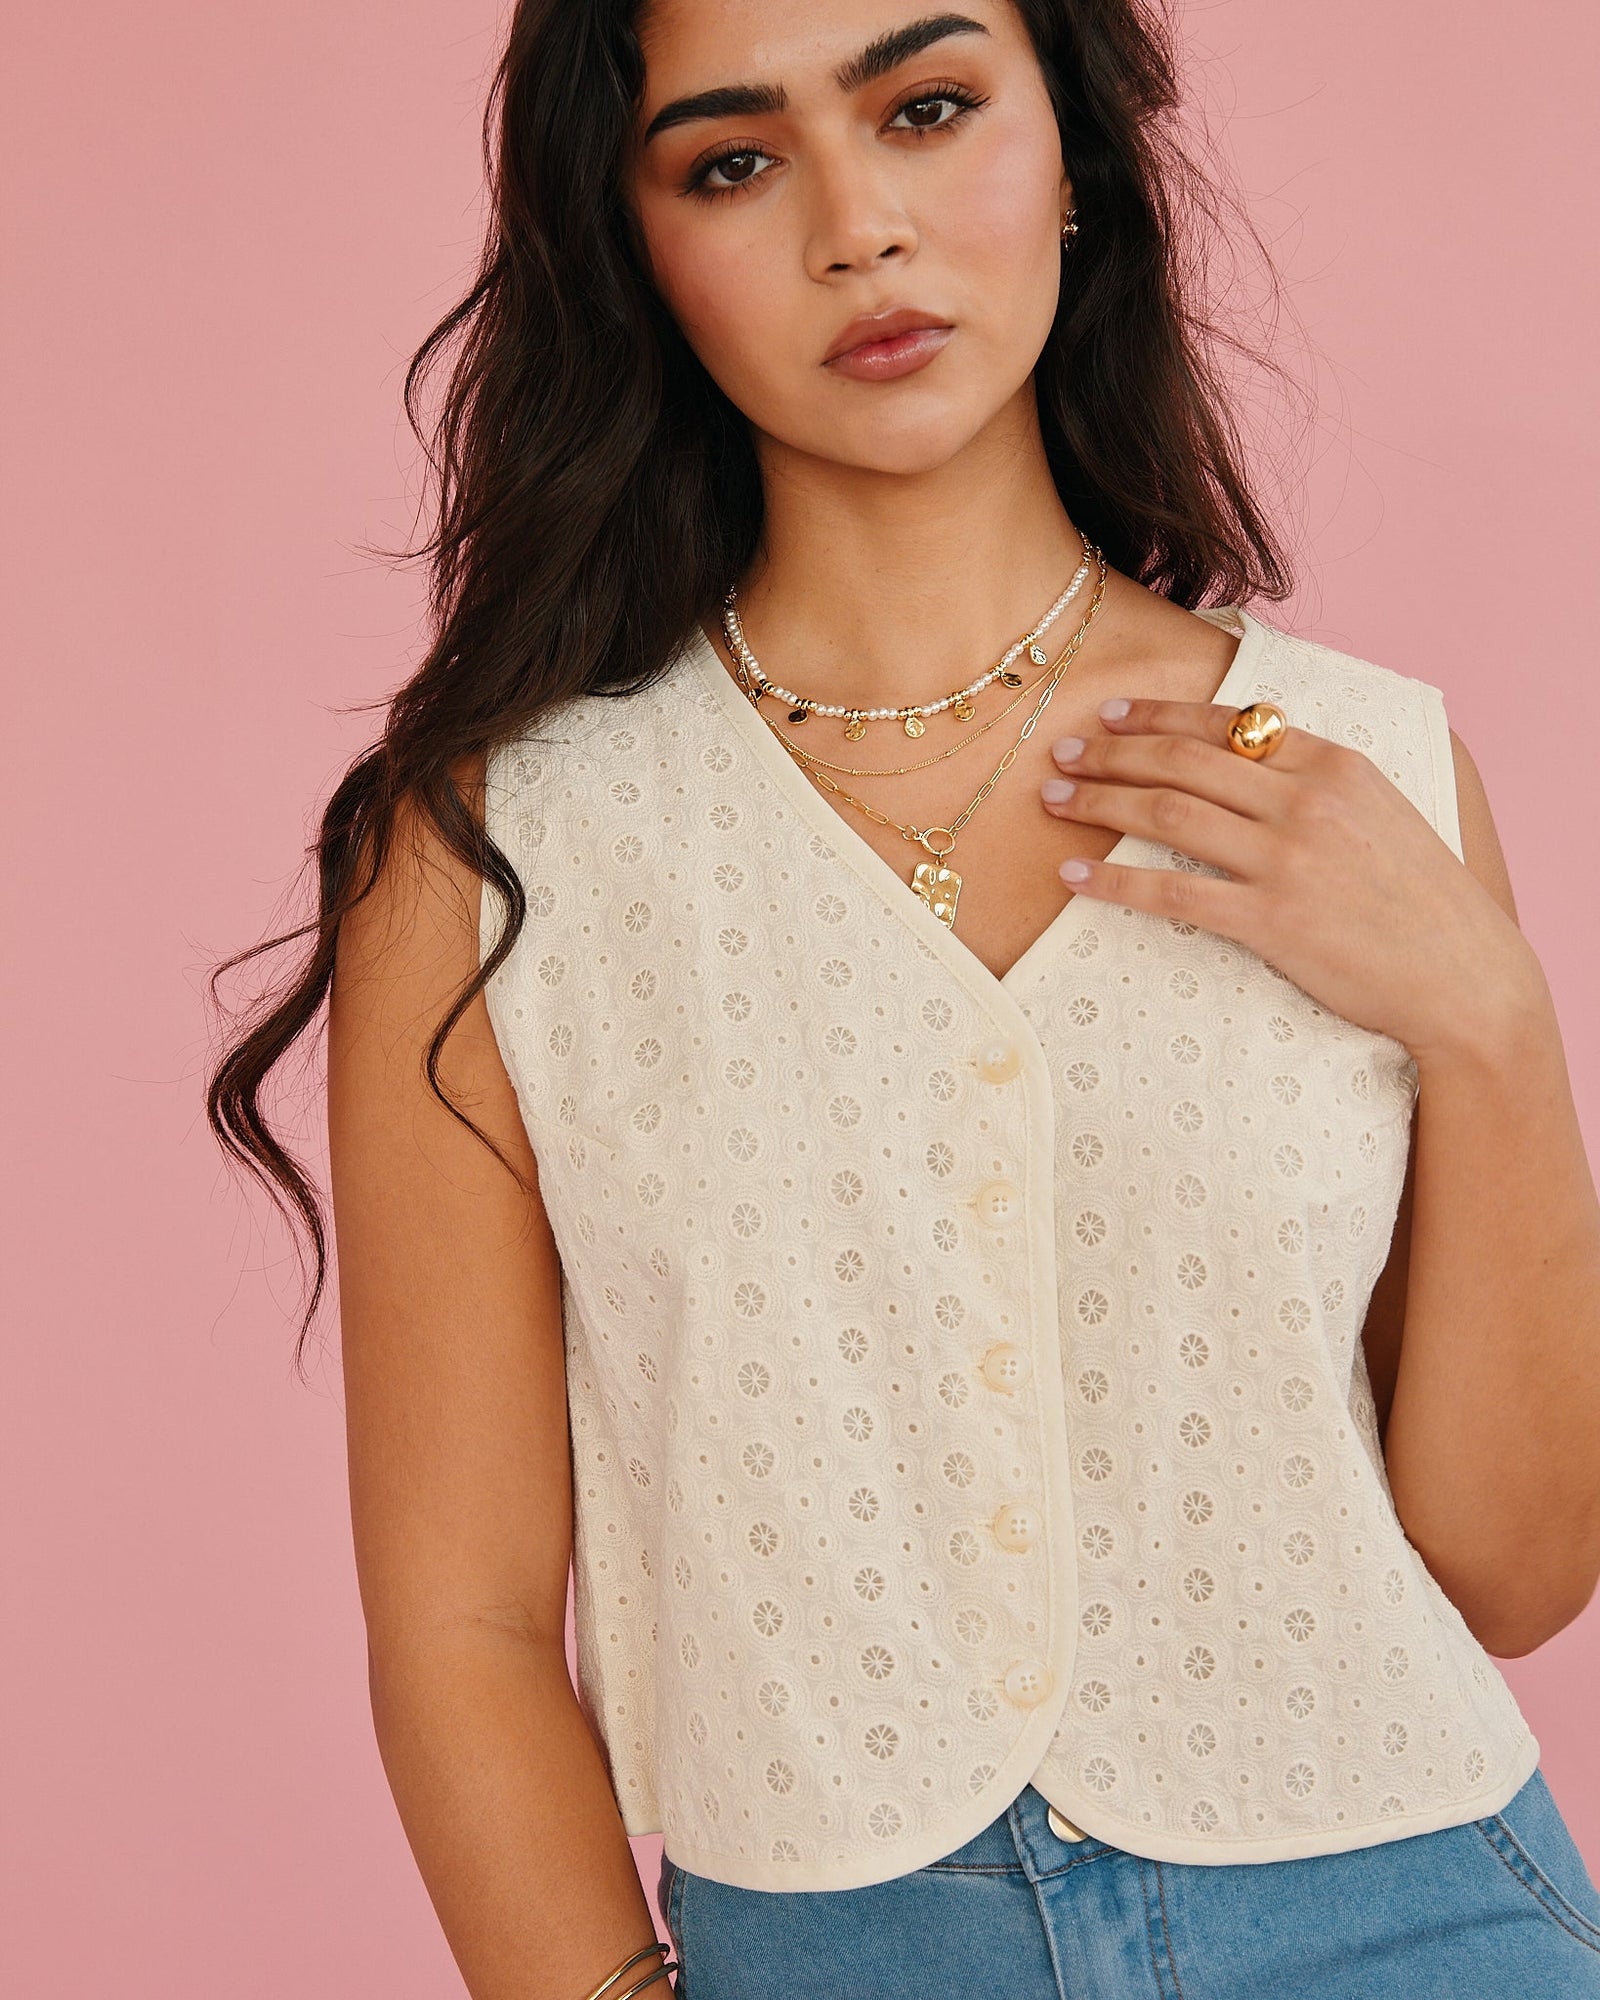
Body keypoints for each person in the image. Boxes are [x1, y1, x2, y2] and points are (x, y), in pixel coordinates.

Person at [206, 0, 1600, 1994]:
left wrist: (1490, 1018)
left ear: (1076, 157)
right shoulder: (497, 856)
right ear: (636, 248)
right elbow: (464, 1626)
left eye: (928, 108)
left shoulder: (1358, 774)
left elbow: (1512, 1570)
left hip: (1421, 1914)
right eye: (733, 161)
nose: (855, 225)